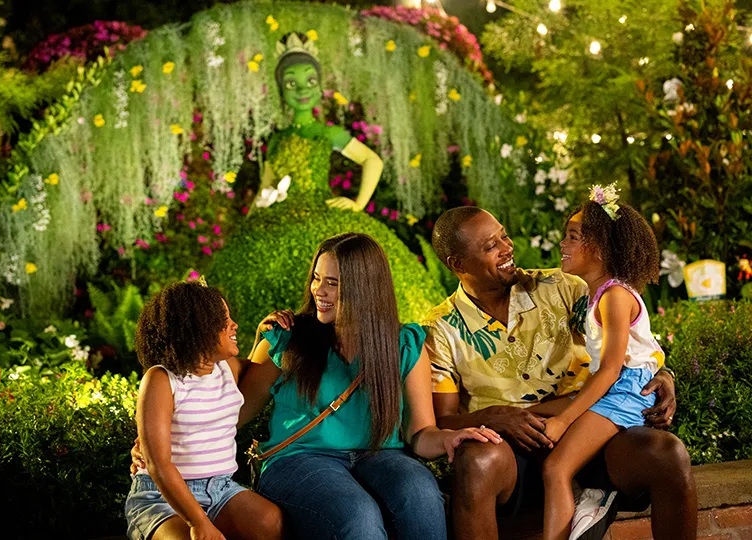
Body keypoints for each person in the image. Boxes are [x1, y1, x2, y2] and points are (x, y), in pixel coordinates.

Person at [422, 206, 697, 540]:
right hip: (511, 456)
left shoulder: (563, 287)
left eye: (504, 235)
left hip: (589, 431)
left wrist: (664, 374)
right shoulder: (441, 329)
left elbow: (628, 340)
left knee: (667, 454)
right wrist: (495, 417)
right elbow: (442, 421)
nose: (507, 247)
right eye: (490, 246)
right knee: (476, 461)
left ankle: (590, 495)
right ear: (458, 264)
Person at [237, 232, 502, 540]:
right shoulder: (287, 339)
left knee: (421, 495)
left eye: (333, 283)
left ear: (364, 288)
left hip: (379, 455)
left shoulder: (404, 345)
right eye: (317, 278)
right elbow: (234, 413)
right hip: (298, 459)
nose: (318, 291)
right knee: (356, 513)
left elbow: (419, 434)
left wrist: (449, 439)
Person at [209, 31, 444, 350]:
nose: (302, 89)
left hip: (323, 207)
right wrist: (247, 226)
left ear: (319, 86)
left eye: (309, 81)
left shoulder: (326, 133)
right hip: (278, 217)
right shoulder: (276, 139)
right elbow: (267, 186)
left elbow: (371, 160)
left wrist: (358, 203)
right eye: (291, 83)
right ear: (281, 90)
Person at [533, 184, 675, 539]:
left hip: (626, 391)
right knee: (535, 412)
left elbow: (613, 369)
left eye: (573, 236)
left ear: (600, 248)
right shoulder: (598, 293)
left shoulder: (614, 296)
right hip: (615, 388)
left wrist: (565, 420)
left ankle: (590, 499)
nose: (563, 244)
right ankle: (593, 496)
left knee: (555, 468)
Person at [125, 281, 284, 540]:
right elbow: (158, 464)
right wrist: (198, 522)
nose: (234, 325)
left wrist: (261, 334)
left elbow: (255, 369)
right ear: (196, 329)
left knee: (271, 523)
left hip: (220, 489)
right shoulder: (161, 380)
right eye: (224, 320)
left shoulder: (225, 369)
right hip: (161, 498)